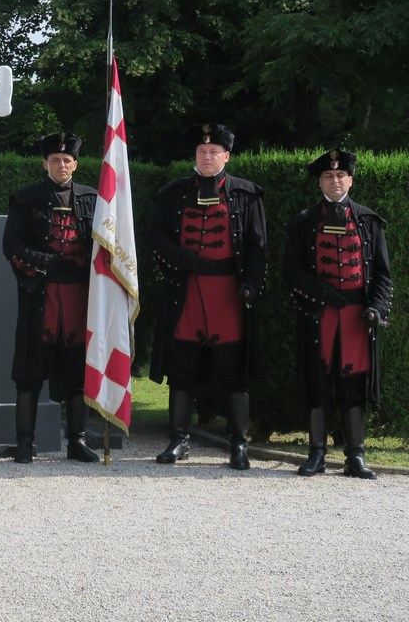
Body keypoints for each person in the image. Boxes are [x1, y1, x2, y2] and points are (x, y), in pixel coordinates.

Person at [150, 123, 266, 469]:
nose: (207, 156)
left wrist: (253, 285)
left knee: (234, 371)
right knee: (182, 368)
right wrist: (186, 260)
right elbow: (157, 236)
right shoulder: (173, 194)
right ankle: (179, 440)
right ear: (195, 156)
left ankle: (239, 444)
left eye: (214, 151)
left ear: (226, 156)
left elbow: (258, 247)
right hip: (186, 292)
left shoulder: (246, 195)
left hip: (228, 293)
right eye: (202, 152)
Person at [284, 149, 392, 479]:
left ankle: (355, 456)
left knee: (352, 387)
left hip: (358, 319)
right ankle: (316, 453)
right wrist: (324, 295)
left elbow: (383, 276)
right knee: (318, 382)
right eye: (328, 176)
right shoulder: (303, 222)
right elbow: (292, 270)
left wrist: (376, 308)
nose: (335, 181)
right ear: (320, 181)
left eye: (340, 175)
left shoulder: (369, 222)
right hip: (320, 314)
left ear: (351, 180)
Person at [2, 132, 99, 463]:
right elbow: (12, 247)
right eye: (55, 160)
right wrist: (48, 263)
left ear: (75, 164)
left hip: (79, 298)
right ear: (45, 163)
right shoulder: (25, 199)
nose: (61, 165)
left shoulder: (93, 199)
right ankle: (25, 442)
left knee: (77, 372)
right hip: (39, 295)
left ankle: (77, 441)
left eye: (67, 160)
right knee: (29, 371)